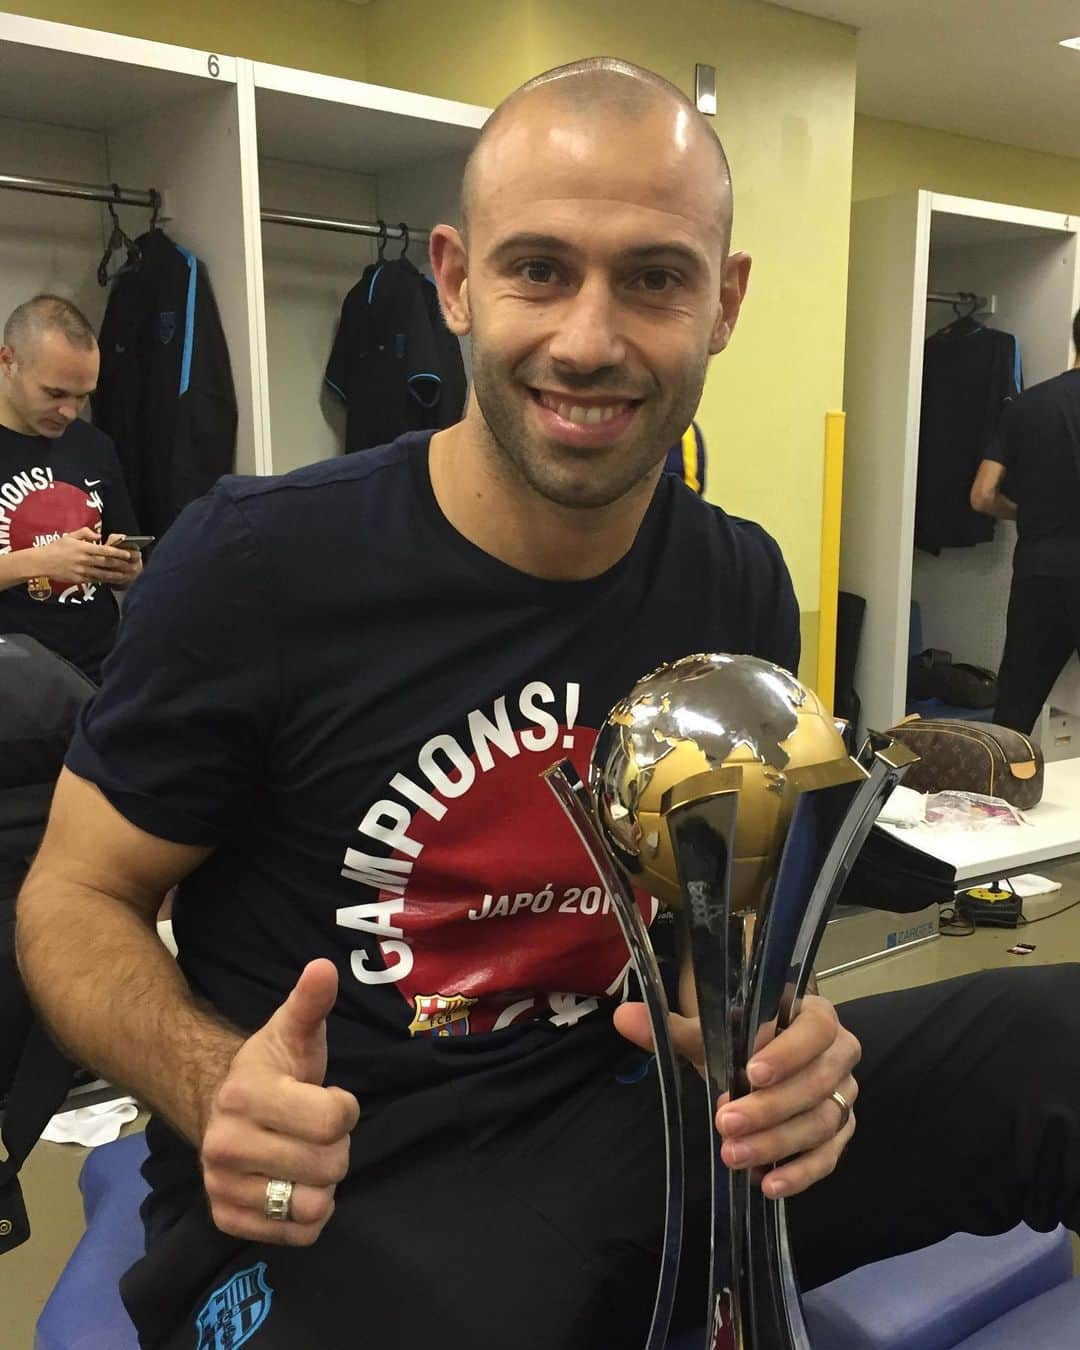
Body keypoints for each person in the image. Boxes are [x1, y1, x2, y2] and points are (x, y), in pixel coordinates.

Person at [16, 58, 1080, 1350]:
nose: (590, 337)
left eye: (653, 276)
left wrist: (772, 1040)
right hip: (353, 1173)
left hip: (635, 1117)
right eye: (539, 269)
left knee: (1051, 1038)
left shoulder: (734, 575)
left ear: (724, 300)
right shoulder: (257, 565)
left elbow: (705, 923)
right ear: (456, 280)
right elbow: (70, 899)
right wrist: (209, 1079)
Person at [0, 295, 142, 684]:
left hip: (101, 670)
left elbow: (128, 554)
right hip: (15, 685)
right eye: (55, 394)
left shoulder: (95, 446)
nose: (70, 411)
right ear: (8, 361)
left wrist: (126, 568)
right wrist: (42, 561)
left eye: (83, 396)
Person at [971, 312, 1080, 733]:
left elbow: (982, 495)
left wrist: (1025, 511)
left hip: (1039, 573)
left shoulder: (1026, 406)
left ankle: (994, 795)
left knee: (1014, 709)